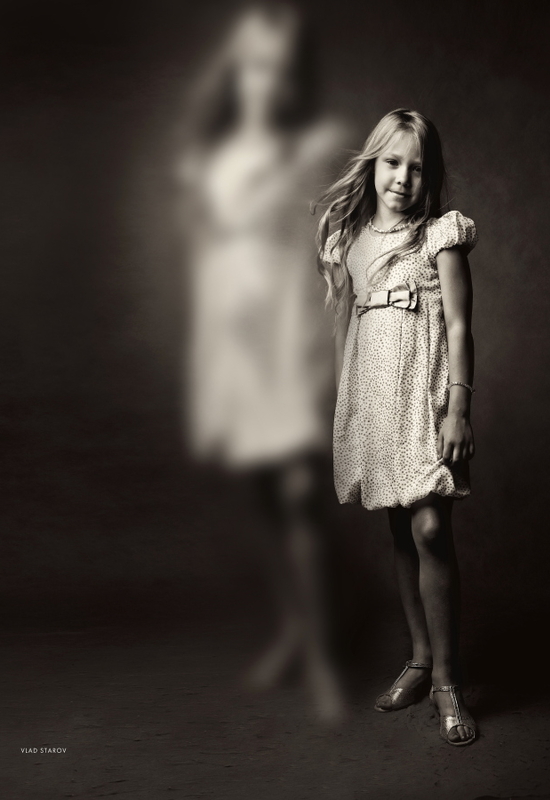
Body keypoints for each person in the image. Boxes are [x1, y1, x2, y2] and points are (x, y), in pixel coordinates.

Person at [178, 1, 350, 722]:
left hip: (285, 332)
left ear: (292, 79)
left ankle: (322, 658)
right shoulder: (207, 159)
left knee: (298, 492)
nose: (266, 81)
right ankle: (293, 629)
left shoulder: (315, 146)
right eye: (253, 65)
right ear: (235, 70)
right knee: (259, 493)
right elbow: (208, 252)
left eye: (279, 69)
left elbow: (323, 248)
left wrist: (315, 347)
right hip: (231, 336)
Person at [316, 109, 478, 745]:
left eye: (417, 167)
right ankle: (418, 660)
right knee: (400, 531)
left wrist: (459, 407)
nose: (402, 178)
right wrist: (347, 408)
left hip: (425, 396)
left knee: (430, 526)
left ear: (429, 176)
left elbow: (460, 327)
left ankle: (447, 681)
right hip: (375, 399)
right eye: (391, 162)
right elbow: (344, 329)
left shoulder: (440, 235)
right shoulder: (350, 244)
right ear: (373, 164)